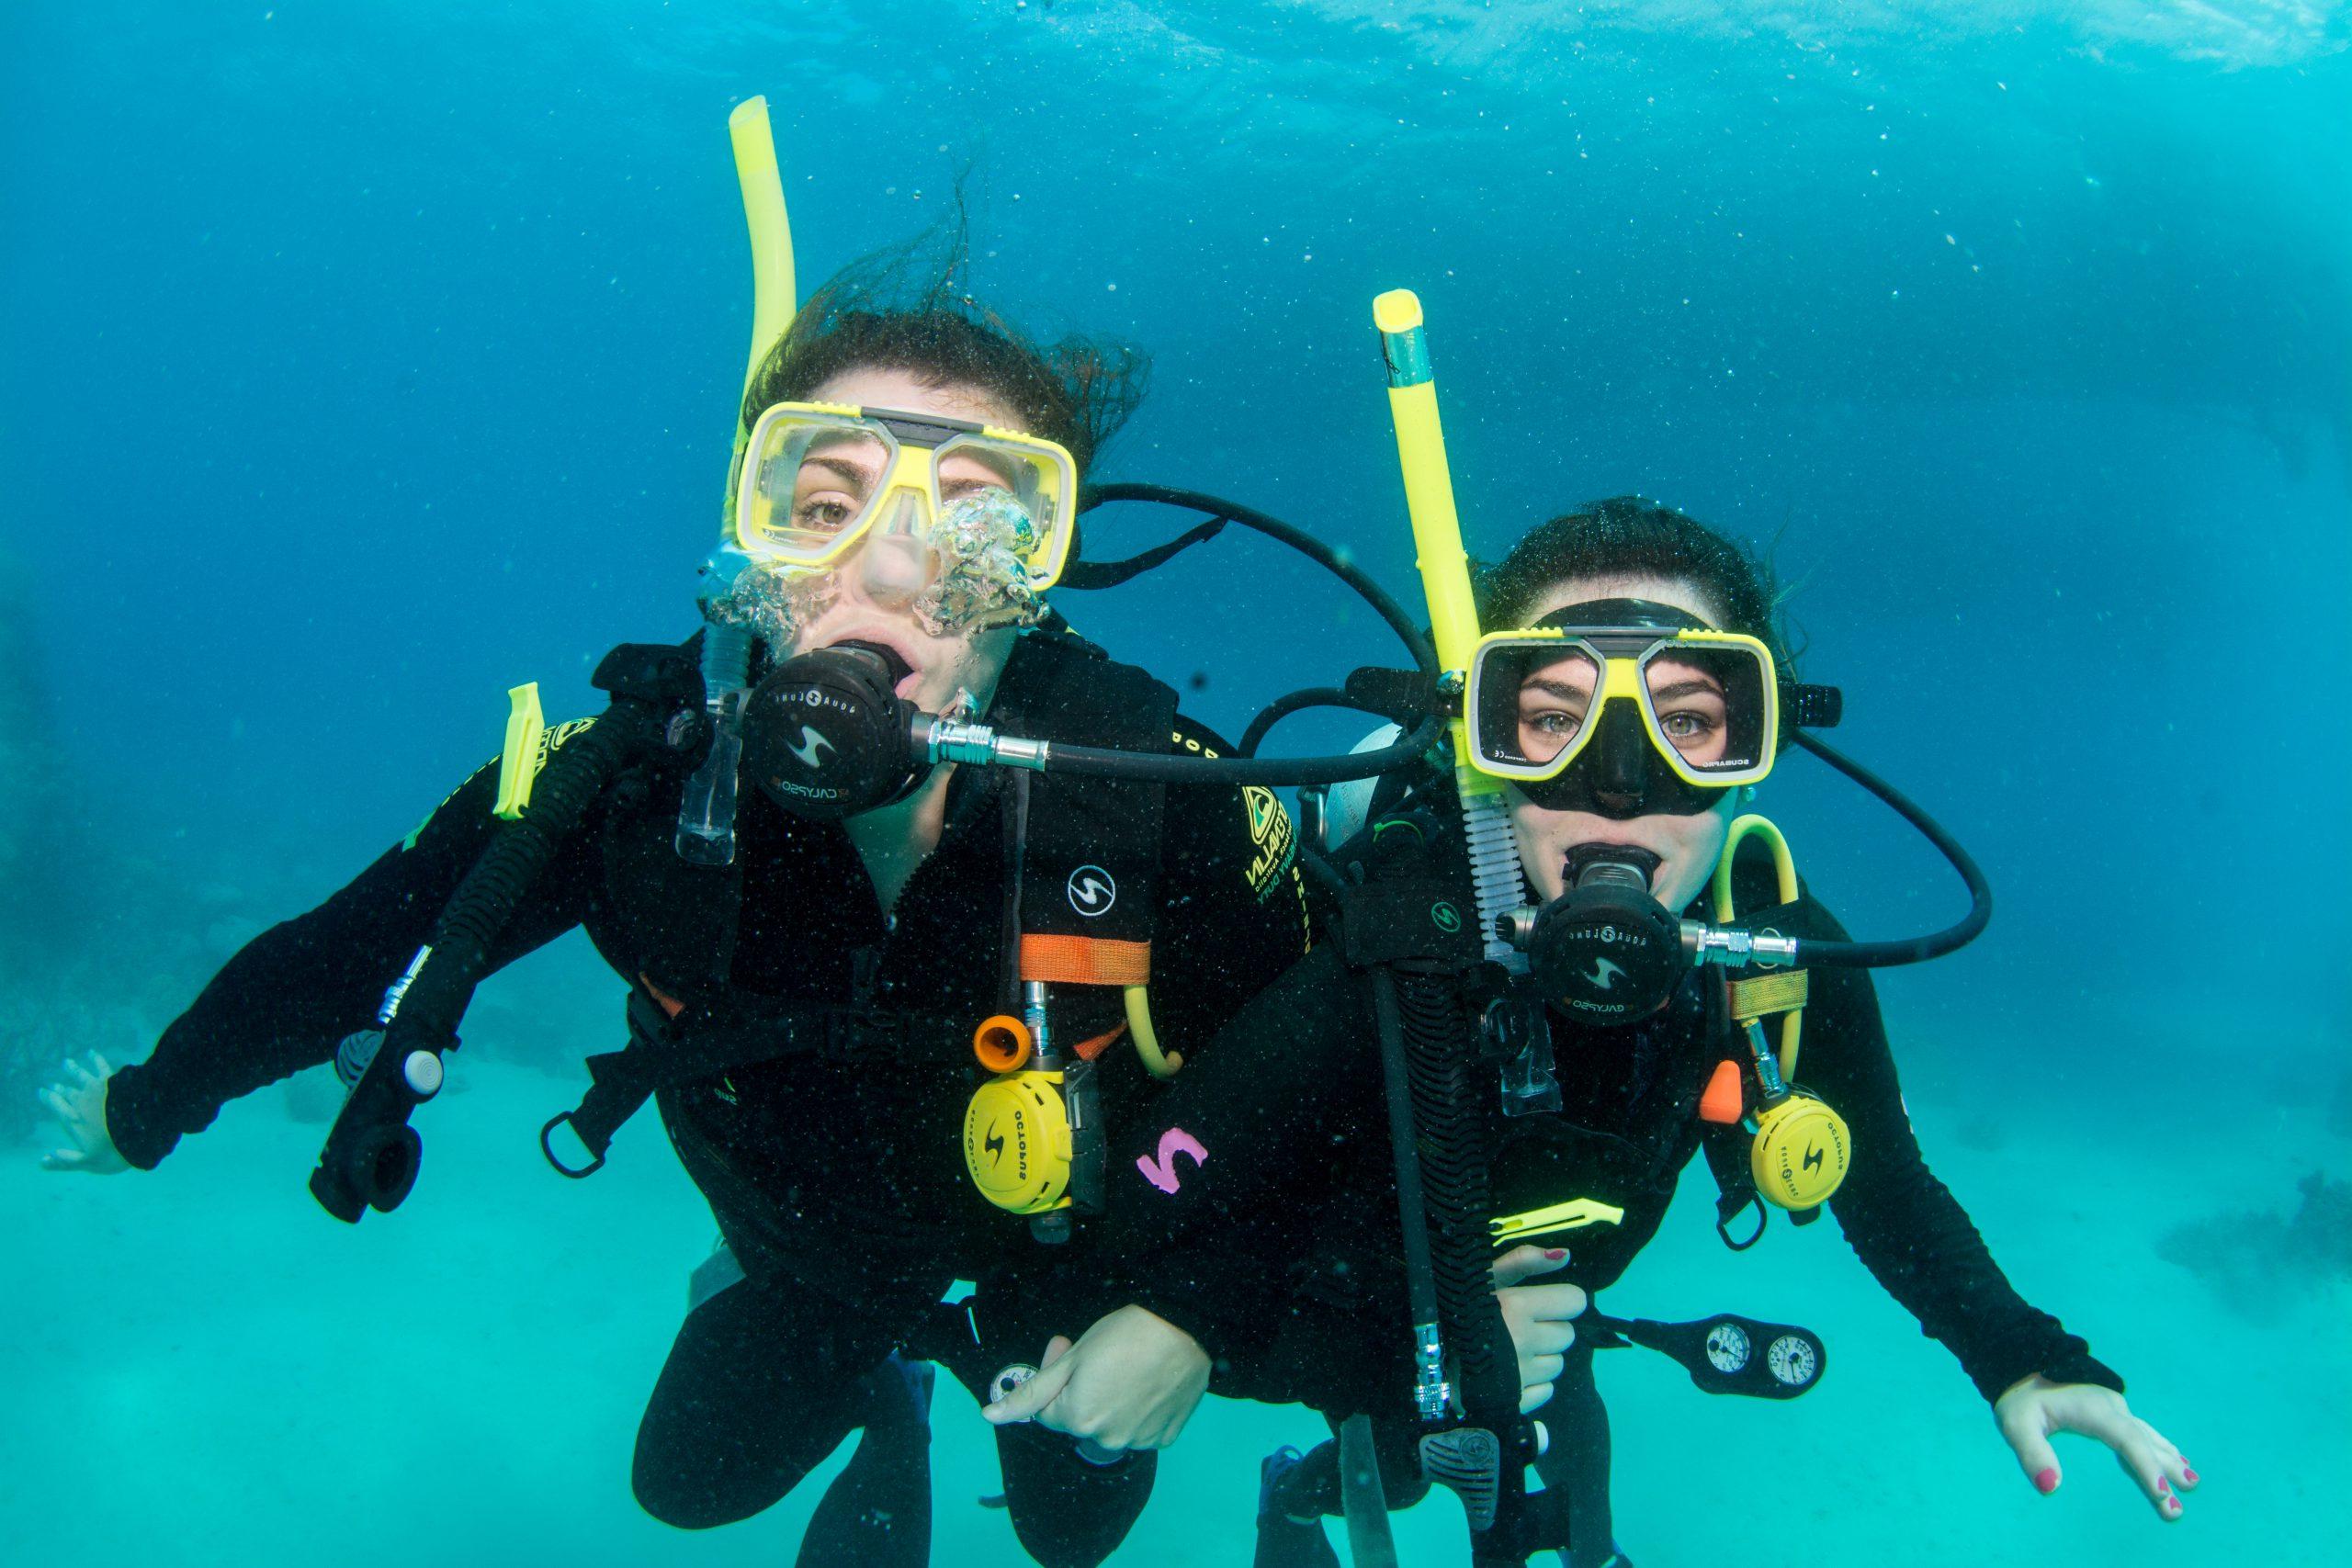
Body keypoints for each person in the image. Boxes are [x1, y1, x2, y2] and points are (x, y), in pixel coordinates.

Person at [36, 249, 1326, 1566]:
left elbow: (1324, 1075)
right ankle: (890, 1391)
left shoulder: (1158, 796)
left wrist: (1192, 1315)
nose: (888, 573)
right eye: (824, 502)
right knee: (688, 1483)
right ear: (751, 545)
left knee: (1072, 1531)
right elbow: (354, 946)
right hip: (811, 1250)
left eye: (985, 530)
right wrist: (148, 1107)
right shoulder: (633, 783)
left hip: (1064, 1252)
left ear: (1040, 583)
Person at [1064, 496, 2198, 1566]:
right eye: (1553, 719)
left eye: (1690, 722)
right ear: (1480, 735)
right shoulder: (1404, 936)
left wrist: (2020, 1357)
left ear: (1758, 744)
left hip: (1537, 1323)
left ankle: (1339, 1465)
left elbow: (1886, 1186)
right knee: (1069, 1518)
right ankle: (1305, 1467)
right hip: (1352, 1301)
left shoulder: (1773, 964)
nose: (1618, 787)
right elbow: (1157, 1223)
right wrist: (1289, 1339)